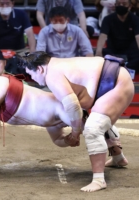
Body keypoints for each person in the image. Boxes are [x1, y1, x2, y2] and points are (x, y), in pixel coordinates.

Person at [0, 72, 127, 167]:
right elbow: (94, 127)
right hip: (5, 92)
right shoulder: (66, 109)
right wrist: (78, 133)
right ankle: (118, 156)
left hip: (4, 104)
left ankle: (118, 156)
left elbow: (58, 140)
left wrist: (68, 140)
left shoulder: (56, 122)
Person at [17, 51, 134, 192]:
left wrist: (75, 132)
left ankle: (98, 180)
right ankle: (118, 158)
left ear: (40, 69)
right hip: (112, 80)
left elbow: (72, 105)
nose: (33, 78)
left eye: (32, 74)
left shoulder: (52, 75)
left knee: (93, 128)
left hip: (117, 83)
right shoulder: (56, 65)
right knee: (100, 120)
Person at [95, 0, 139, 73]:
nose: (121, 5)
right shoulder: (107, 19)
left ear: (130, 6)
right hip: (113, 52)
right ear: (115, 5)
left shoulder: (136, 20)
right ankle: (123, 67)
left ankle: (122, 68)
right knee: (101, 54)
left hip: (131, 53)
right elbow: (103, 35)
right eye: (118, 4)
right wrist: (98, 51)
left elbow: (138, 37)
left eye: (124, 4)